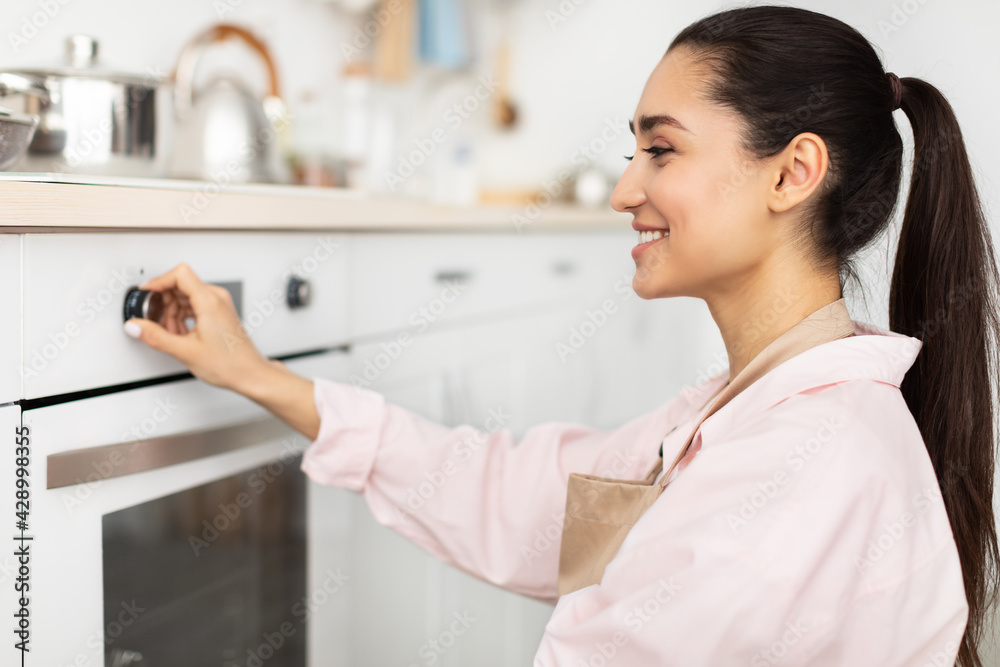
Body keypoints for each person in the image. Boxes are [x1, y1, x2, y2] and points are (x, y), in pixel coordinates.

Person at [123, 5, 1000, 665]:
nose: (625, 191)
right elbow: (518, 494)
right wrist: (260, 377)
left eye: (661, 151)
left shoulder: (799, 467)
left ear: (793, 172)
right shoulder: (743, 416)